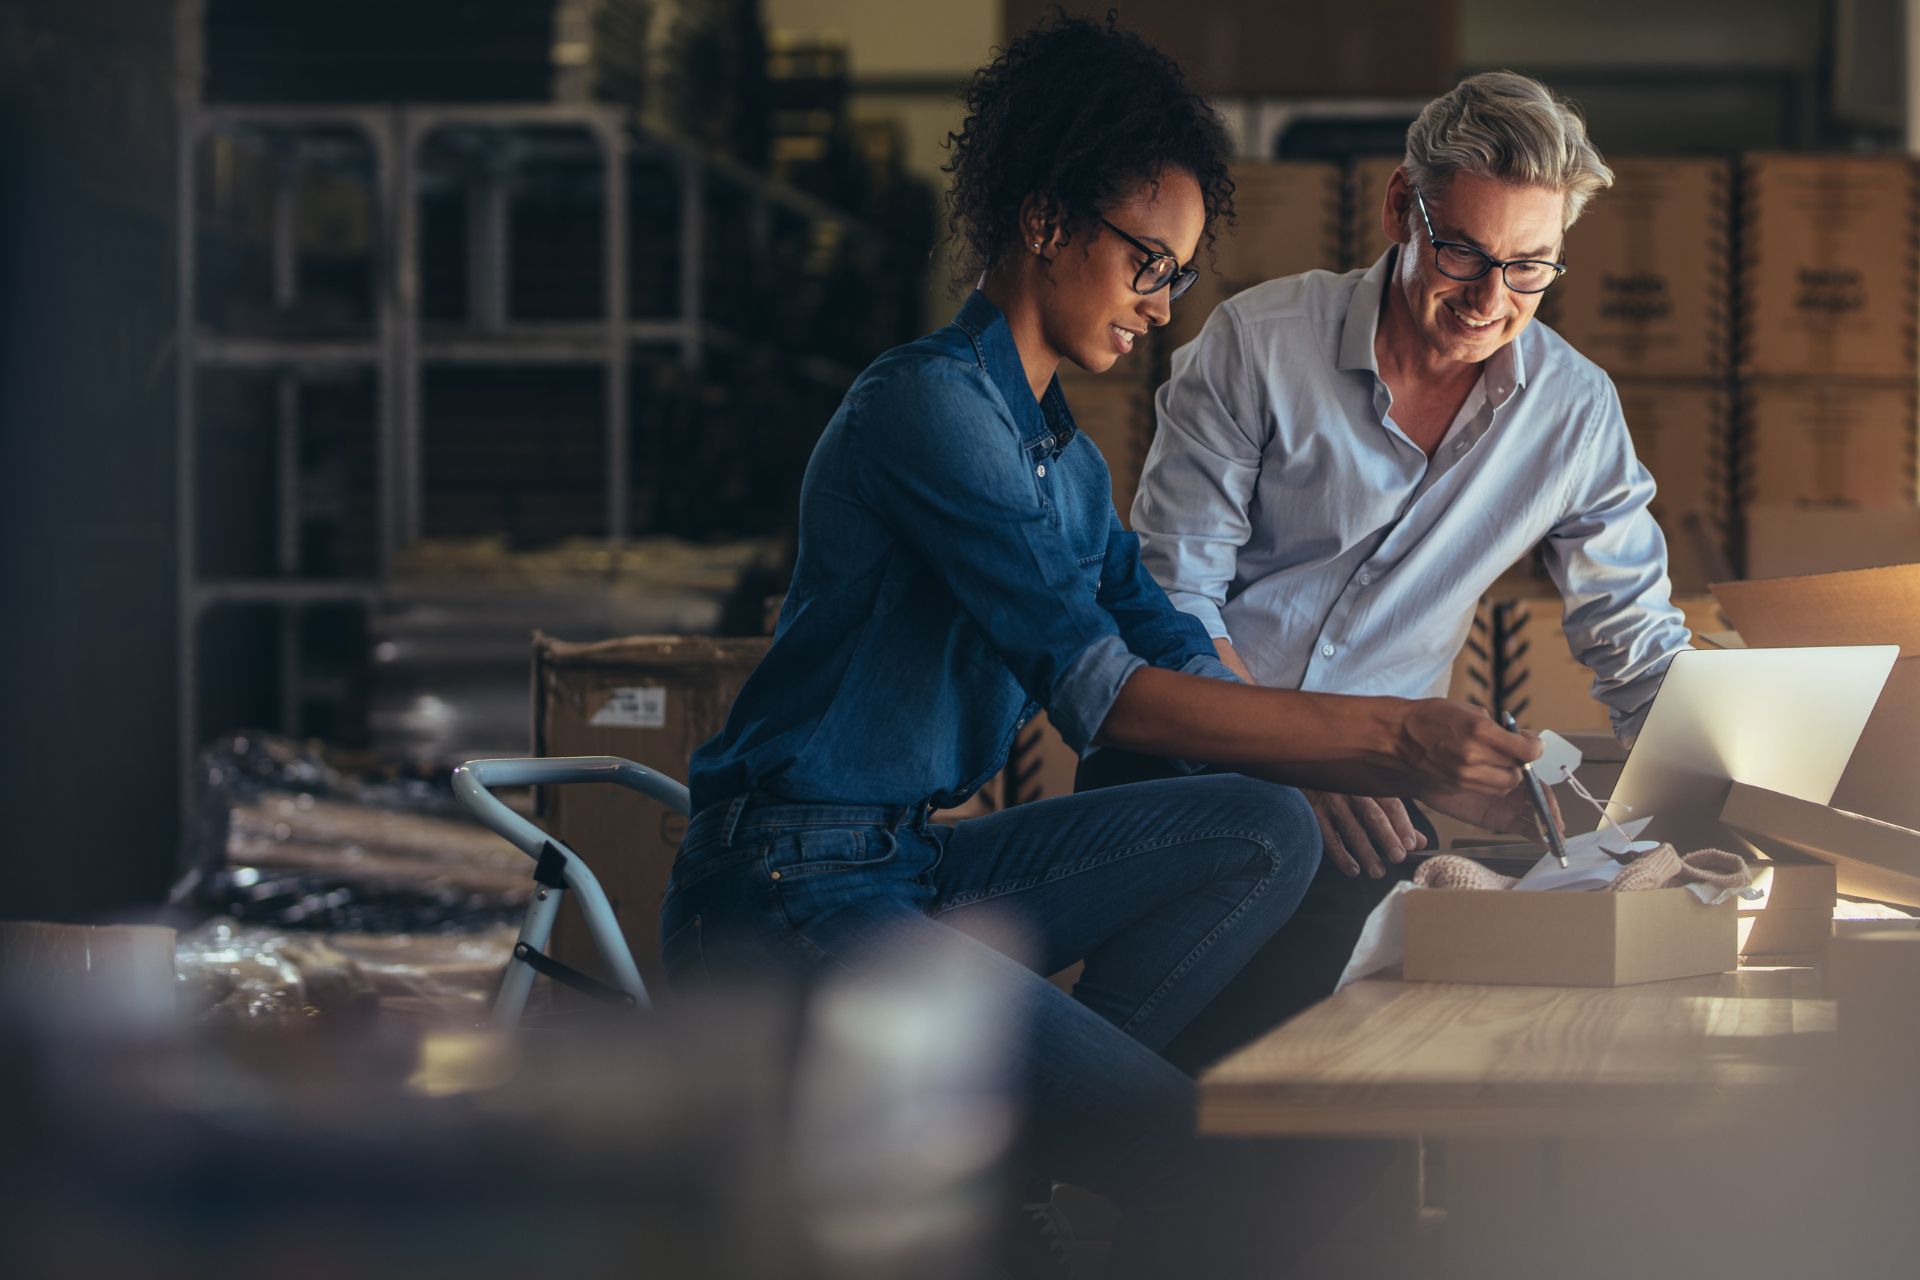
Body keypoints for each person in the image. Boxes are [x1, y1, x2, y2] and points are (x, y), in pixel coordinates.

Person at [659, 19, 1541, 1276]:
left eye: (1178, 275)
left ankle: (1014, 1158)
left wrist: (1329, 763)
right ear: (1041, 220)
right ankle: (1054, 1153)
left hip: (905, 866)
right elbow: (1106, 695)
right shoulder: (928, 408)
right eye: (1145, 261)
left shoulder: (1060, 457)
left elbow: (1167, 632)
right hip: (785, 890)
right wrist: (1392, 737)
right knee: (1183, 1147)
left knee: (1267, 825)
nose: (1160, 304)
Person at [1084, 70, 1691, 1068]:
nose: (1491, 299)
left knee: (1359, 1082)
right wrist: (1298, 749)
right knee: (1193, 1079)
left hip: (1374, 789)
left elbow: (1635, 642)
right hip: (1192, 753)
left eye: (1532, 267)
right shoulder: (1257, 345)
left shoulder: (1574, 413)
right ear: (1399, 209)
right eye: (1462, 251)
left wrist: (1727, 787)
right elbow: (1171, 599)